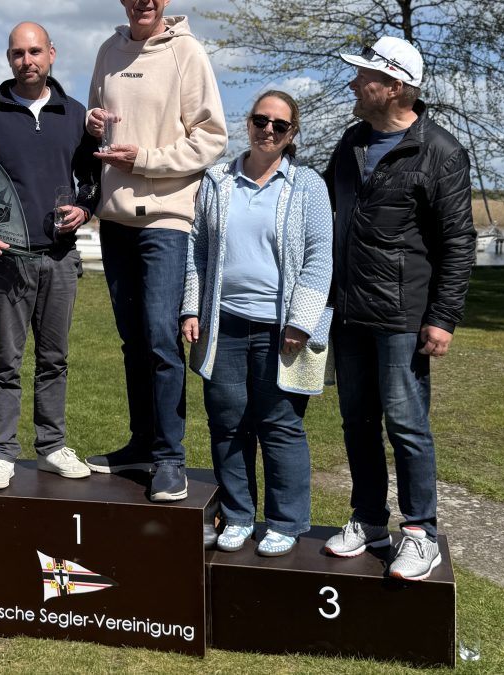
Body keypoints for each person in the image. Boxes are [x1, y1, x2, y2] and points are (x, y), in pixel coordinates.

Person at [322, 36, 476, 579]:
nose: (352, 84)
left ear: (394, 87)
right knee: (356, 423)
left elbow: (458, 241)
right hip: (348, 313)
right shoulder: (350, 143)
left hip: (402, 317)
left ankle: (420, 532)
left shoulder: (440, 151)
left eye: (364, 77)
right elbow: (326, 217)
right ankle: (368, 520)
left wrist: (443, 316)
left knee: (407, 426)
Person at [0, 22, 100, 490]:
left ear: (52, 54)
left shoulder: (75, 115)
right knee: (5, 363)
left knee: (54, 359)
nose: (26, 60)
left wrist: (85, 207)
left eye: (35, 51)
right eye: (17, 53)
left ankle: (52, 446)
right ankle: (4, 453)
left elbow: (92, 179)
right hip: (6, 259)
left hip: (58, 258)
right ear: (8, 58)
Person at [84, 0, 227, 502]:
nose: (143, 1)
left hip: (166, 221)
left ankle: (170, 458)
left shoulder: (187, 52)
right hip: (115, 221)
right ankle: (142, 443)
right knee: (132, 341)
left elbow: (211, 138)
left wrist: (143, 159)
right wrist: (93, 124)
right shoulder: (107, 50)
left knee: (163, 340)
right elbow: (95, 124)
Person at [182, 91, 332, 556]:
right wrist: (192, 309)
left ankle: (286, 521)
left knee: (280, 425)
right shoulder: (217, 180)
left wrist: (300, 322)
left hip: (281, 329)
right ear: (247, 123)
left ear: (292, 134)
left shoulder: (307, 185)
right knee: (227, 423)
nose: (268, 130)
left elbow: (318, 259)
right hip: (224, 325)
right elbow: (198, 250)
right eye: (260, 120)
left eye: (280, 125)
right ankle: (239, 514)